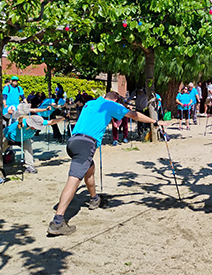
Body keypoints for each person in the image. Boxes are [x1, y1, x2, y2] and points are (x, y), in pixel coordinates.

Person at [47, 91, 166, 236]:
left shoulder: (90, 103)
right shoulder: (110, 104)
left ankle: (94, 198)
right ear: (115, 99)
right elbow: (134, 115)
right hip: (85, 144)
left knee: (90, 169)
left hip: (73, 142)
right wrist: (155, 121)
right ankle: (58, 221)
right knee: (74, 179)